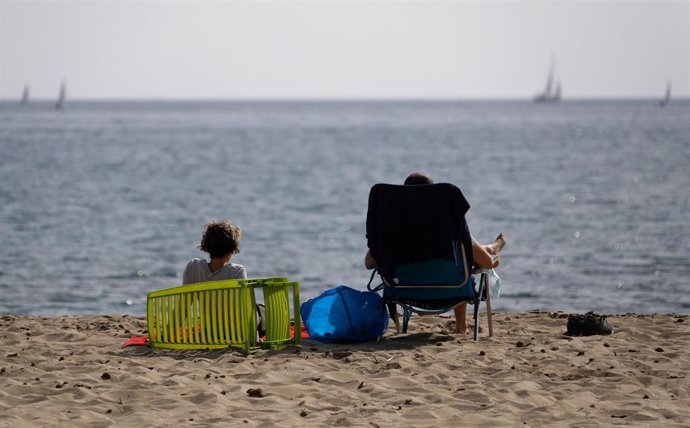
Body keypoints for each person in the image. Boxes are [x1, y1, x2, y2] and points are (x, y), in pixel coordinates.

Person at [364, 172, 506, 335]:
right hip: (452, 293)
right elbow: (487, 264)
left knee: (466, 256)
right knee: (466, 262)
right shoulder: (452, 233)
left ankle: (493, 247)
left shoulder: (391, 236)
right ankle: (494, 248)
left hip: (403, 293)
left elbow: (369, 264)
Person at [183, 220, 246, 285]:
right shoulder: (237, 272)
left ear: (207, 245)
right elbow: (243, 295)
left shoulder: (193, 267)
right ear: (231, 249)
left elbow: (184, 294)